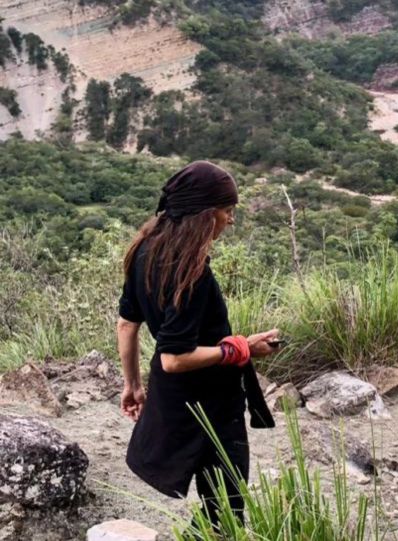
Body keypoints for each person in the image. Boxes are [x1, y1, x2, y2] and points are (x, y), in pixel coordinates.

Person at [116, 161, 280, 528]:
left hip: (175, 397)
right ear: (206, 216)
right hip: (212, 402)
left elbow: (127, 324)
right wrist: (240, 349)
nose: (231, 220)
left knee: (216, 502)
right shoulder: (192, 272)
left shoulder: (144, 250)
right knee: (225, 506)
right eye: (227, 211)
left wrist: (133, 386)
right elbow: (174, 357)